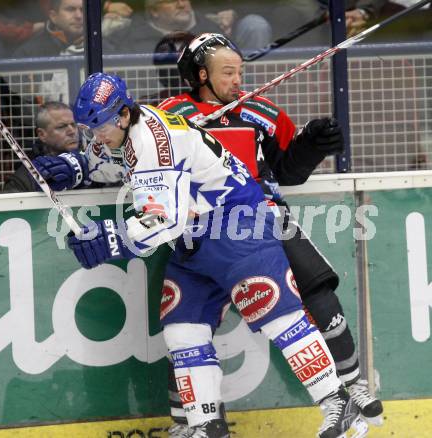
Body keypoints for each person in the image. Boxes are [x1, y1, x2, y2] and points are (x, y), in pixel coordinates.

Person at [57, 72, 365, 438]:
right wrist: (71, 167)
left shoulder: (154, 141)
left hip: (236, 224)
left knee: (279, 316)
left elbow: (164, 221)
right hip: (194, 239)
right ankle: (207, 425)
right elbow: (104, 160)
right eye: (90, 128)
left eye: (101, 126)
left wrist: (111, 240)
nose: (97, 135)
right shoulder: (120, 130)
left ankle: (338, 403)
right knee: (182, 329)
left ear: (123, 114)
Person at [156, 33, 384, 437]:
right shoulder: (172, 115)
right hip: (204, 230)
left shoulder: (259, 109)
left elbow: (288, 170)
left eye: (240, 71)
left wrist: (313, 145)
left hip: (264, 218)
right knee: (187, 327)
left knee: (317, 293)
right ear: (201, 74)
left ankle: (351, 385)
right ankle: (193, 423)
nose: (237, 79)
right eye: (228, 72)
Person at [105, 0, 271, 55]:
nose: (182, 4)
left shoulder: (213, 32)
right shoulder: (129, 38)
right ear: (154, 11)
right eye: (172, 1)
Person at [2, 101, 87, 193]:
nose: (72, 132)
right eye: (61, 127)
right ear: (42, 134)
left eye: (74, 125)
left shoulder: (95, 160)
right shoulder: (24, 180)